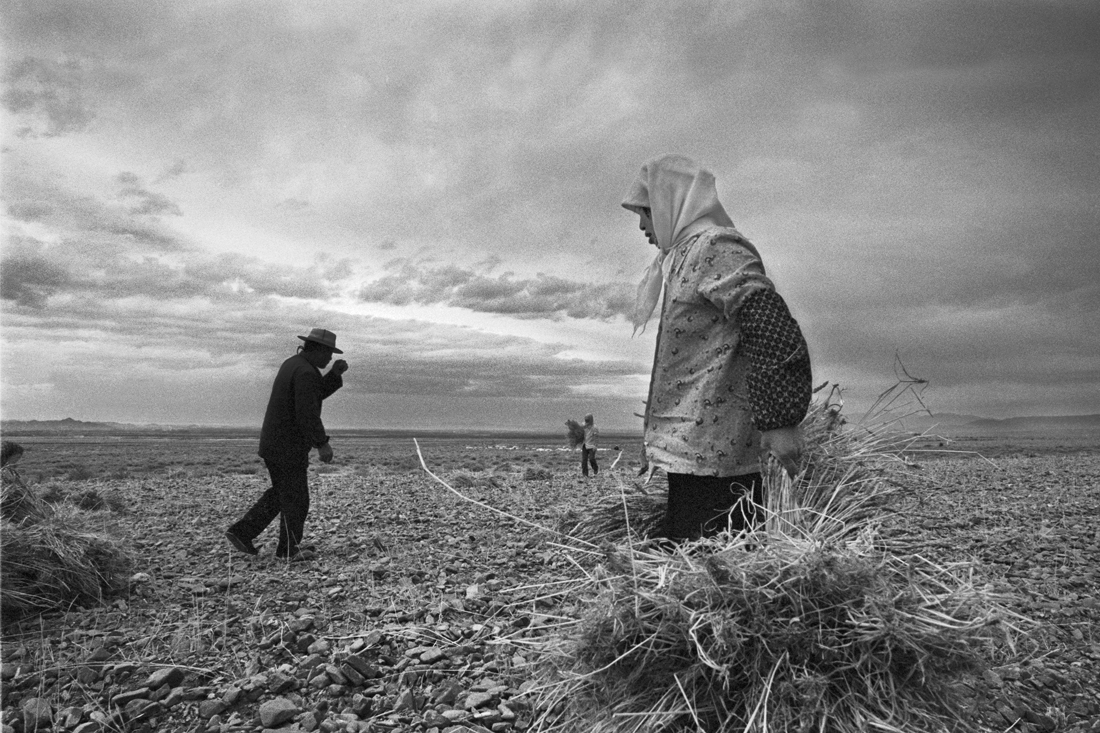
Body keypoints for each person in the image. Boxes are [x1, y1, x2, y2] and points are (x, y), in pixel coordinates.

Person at [622, 154, 812, 542]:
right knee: (693, 574)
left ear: (671, 204)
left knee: (719, 569)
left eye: (645, 212)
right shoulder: (680, 259)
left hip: (719, 459)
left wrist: (780, 420)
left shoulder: (716, 247)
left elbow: (770, 325)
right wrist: (655, 440)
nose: (642, 225)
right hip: (691, 451)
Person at [226, 328, 348, 561]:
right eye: (329, 353)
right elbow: (307, 413)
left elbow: (312, 395)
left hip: (275, 443)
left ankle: (242, 532)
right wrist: (322, 443)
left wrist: (333, 374)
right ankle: (287, 550)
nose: (330, 357)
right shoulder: (305, 372)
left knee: (283, 493)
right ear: (318, 350)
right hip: (287, 446)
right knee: (297, 499)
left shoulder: (295, 365)